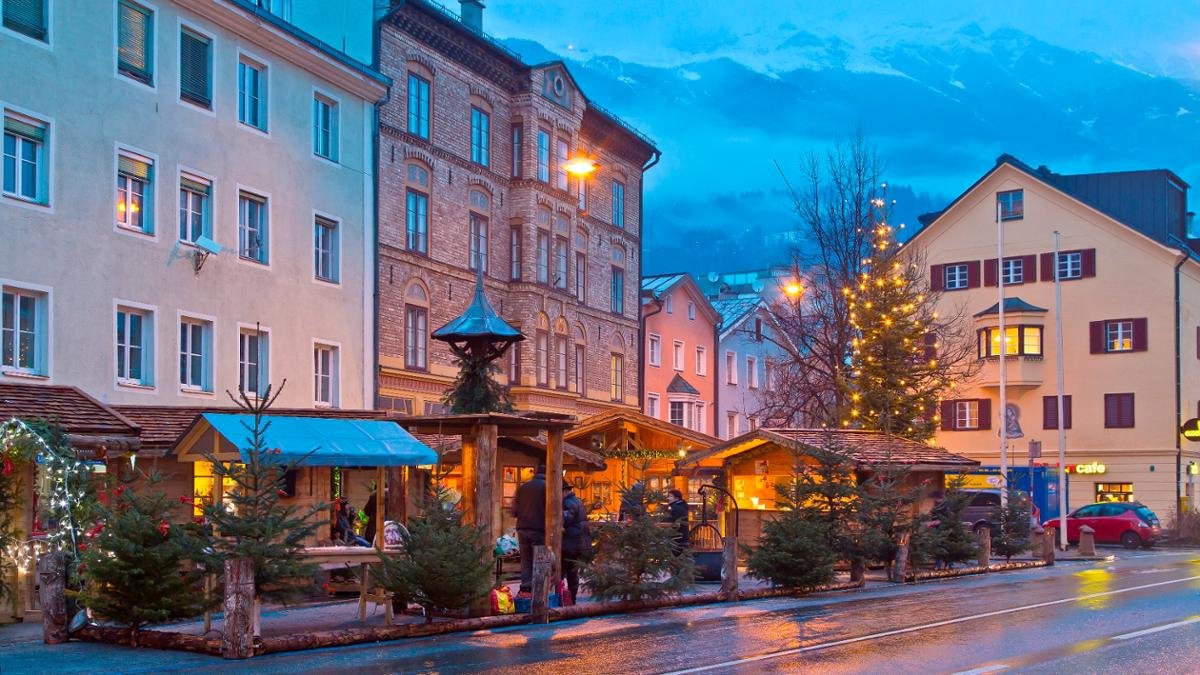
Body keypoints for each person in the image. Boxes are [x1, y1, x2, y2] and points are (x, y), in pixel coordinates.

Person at [512, 465, 547, 594]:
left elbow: (514, 510)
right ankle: (538, 590)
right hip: (539, 529)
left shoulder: (523, 487)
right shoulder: (547, 487)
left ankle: (526, 587)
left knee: (526, 559)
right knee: (540, 559)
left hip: (522, 528)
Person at [561, 481, 591, 602]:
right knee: (573, 572)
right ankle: (571, 598)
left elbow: (566, 518)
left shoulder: (568, 502)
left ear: (564, 491)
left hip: (570, 543)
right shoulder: (577, 501)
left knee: (566, 571)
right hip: (577, 542)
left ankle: (567, 598)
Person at [666, 489, 690, 554]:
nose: (668, 498)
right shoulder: (681, 506)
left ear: (676, 498)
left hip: (677, 540)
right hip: (682, 539)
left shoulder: (676, 508)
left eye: (670, 496)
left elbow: (671, 522)